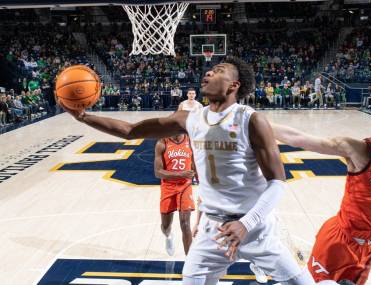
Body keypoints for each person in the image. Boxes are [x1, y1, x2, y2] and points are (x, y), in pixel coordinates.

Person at [60, 56, 339, 285]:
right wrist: (84, 117)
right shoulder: (189, 118)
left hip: (255, 226)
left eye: (218, 71)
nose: (208, 72)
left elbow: (277, 183)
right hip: (213, 228)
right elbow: (131, 131)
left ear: (233, 85)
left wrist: (246, 224)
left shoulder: (252, 120)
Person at [272, 98, 371, 284]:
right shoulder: (360, 151)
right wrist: (254, 121)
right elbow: (300, 138)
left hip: (369, 248)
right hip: (339, 241)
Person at [154, 133, 195, 256]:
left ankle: (189, 262)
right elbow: (158, 172)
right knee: (166, 226)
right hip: (168, 187)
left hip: (185, 186)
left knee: (185, 223)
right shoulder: (162, 143)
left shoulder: (191, 141)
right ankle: (168, 236)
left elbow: (194, 163)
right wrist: (180, 174)